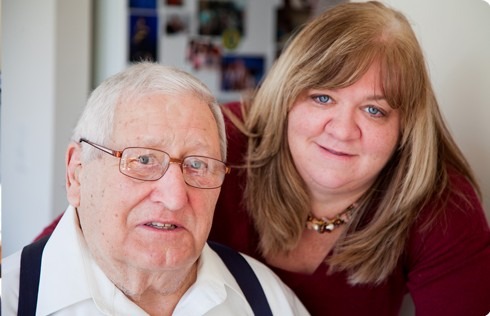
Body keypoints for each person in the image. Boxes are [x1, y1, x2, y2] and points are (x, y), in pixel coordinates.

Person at [34, 2, 490, 315]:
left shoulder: (441, 207)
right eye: (323, 97)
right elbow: (90, 223)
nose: (343, 129)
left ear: (404, 126)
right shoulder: (216, 146)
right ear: (287, 96)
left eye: (374, 109)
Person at [2, 63, 309, 315]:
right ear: (77, 174)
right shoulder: (11, 300)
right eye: (144, 159)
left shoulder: (267, 300)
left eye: (199, 165)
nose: (175, 198)